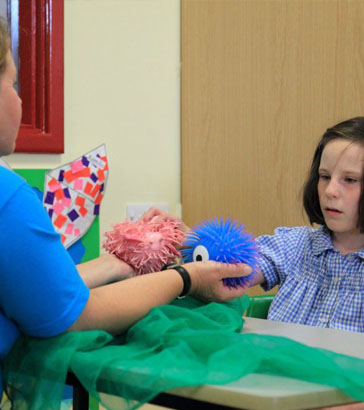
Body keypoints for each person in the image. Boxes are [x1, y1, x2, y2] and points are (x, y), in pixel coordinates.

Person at [0, 19, 251, 400]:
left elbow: (42, 293)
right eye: (12, 83)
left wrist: (117, 264)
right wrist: (186, 277)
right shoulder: (8, 196)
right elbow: (75, 317)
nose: (19, 100)